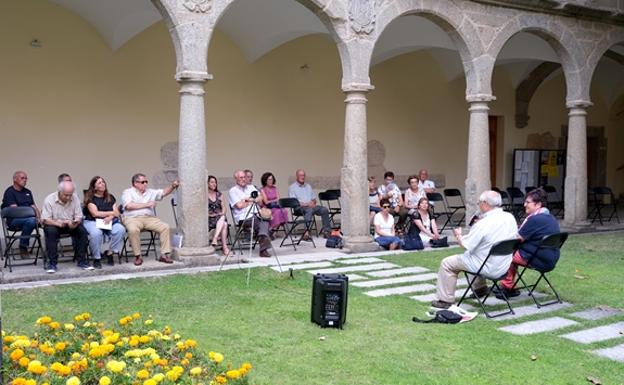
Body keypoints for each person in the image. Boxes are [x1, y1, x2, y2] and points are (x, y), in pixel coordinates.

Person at [431, 190, 518, 309]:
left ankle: (444, 300)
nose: (478, 205)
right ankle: (480, 288)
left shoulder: (483, 224)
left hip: (487, 267)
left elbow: (465, 245)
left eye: (479, 202)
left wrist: (458, 235)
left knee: (447, 263)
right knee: (472, 254)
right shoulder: (510, 217)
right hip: (503, 267)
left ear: (485, 203)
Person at [497, 188, 560, 299]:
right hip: (550, 259)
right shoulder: (550, 218)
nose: (524, 204)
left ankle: (507, 288)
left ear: (538, 204)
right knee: (513, 253)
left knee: (504, 253)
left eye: (528, 202)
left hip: (537, 260)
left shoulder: (534, 219)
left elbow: (516, 239)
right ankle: (508, 285)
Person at [121, 173, 179, 266]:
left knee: (165, 227)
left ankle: (164, 255)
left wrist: (172, 186)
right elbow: (128, 206)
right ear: (136, 183)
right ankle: (138, 256)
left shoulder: (150, 192)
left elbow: (163, 192)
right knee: (133, 230)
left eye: (146, 182)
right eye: (143, 182)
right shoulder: (127, 192)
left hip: (149, 218)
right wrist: (147, 204)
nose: (145, 184)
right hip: (132, 218)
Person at [41, 181, 91, 273]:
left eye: (70, 195)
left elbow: (79, 216)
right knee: (51, 232)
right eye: (66, 195)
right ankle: (52, 263)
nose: (68, 197)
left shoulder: (75, 198)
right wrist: (59, 224)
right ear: (59, 191)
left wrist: (75, 223)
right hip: (54, 224)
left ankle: (82, 260)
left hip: (69, 224)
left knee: (82, 231)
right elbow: (45, 219)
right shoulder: (49, 199)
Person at [83, 176, 126, 268]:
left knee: (120, 229)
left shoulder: (110, 197)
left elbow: (117, 212)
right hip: (92, 221)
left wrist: (110, 217)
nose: (103, 184)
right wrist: (111, 213)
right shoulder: (90, 198)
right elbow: (95, 213)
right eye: (99, 183)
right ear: (94, 187)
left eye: (103, 182)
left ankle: (110, 252)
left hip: (108, 221)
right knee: (96, 233)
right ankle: (97, 258)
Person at [228, 170, 273, 257]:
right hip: (244, 217)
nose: (243, 179)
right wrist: (253, 200)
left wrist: (247, 200)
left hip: (257, 214)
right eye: (241, 177)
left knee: (265, 219)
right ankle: (264, 246)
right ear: (236, 179)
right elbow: (240, 205)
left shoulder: (251, 187)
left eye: (244, 177)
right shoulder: (233, 191)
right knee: (262, 222)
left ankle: (263, 240)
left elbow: (261, 198)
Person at [1, 171, 41, 256]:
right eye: (22, 178)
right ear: (15, 179)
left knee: (47, 223)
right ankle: (23, 246)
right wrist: (31, 214)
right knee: (31, 221)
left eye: (26, 178)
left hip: (31, 218)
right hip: (14, 221)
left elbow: (33, 206)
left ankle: (50, 250)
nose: (25, 180)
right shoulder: (9, 192)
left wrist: (39, 218)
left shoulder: (28, 192)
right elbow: (16, 212)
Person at [288, 169, 331, 239]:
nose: (303, 177)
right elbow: (294, 202)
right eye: (301, 175)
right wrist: (307, 204)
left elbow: (314, 200)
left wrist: (312, 203)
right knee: (309, 210)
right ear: (297, 176)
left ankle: (327, 231)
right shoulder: (292, 187)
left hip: (310, 206)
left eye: (304, 175)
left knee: (324, 210)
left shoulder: (308, 186)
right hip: (299, 208)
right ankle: (306, 233)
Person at [208, 175, 230, 255]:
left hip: (219, 217)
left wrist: (222, 212)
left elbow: (224, 208)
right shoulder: (204, 196)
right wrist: (210, 215)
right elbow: (202, 210)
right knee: (224, 224)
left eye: (215, 182)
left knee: (223, 218)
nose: (214, 184)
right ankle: (225, 248)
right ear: (207, 184)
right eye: (212, 182)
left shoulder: (219, 194)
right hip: (209, 219)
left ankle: (215, 238)